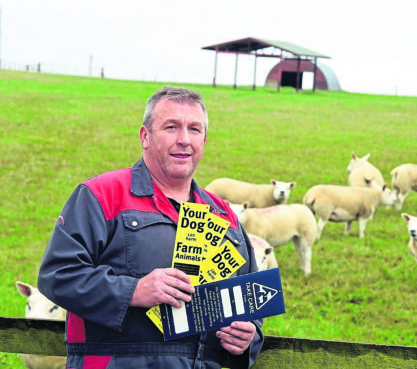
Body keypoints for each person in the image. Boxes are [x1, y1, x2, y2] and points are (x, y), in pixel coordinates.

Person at [38, 86, 263, 368]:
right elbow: (57, 275)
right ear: (145, 136)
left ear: (204, 139)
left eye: (194, 129)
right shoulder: (101, 195)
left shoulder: (224, 215)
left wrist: (249, 338)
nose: (184, 139)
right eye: (171, 127)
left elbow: (250, 302)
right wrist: (133, 290)